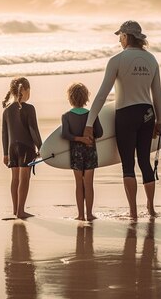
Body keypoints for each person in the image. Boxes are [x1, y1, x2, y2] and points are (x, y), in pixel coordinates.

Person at [84, 20, 161, 220]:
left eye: (120, 36)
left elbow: (102, 95)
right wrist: (159, 121)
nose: (119, 40)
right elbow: (157, 96)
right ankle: (151, 209)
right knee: (144, 161)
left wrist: (89, 123)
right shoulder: (152, 60)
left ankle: (134, 212)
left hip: (126, 114)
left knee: (128, 164)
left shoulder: (117, 60)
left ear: (126, 37)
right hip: (147, 114)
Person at [61, 83, 103, 221]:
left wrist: (79, 139)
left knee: (79, 184)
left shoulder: (66, 116)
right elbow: (100, 132)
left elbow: (65, 134)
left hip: (76, 153)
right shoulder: (92, 115)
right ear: (86, 98)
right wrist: (87, 138)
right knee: (89, 184)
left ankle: (80, 215)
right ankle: (89, 214)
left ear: (70, 98)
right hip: (90, 150)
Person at [2, 77, 42, 219]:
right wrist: (40, 146)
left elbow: (4, 133)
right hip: (26, 148)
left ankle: (15, 209)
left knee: (15, 179)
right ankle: (21, 211)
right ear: (24, 90)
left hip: (12, 148)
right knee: (24, 179)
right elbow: (33, 130)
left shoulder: (6, 110)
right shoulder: (29, 109)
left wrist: (5, 153)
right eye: (29, 91)